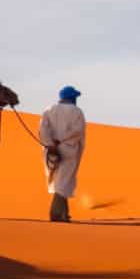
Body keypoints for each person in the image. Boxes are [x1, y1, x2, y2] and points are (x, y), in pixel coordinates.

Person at [39, 85, 87, 222]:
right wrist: (61, 142)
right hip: (69, 149)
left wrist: (51, 143)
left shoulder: (48, 110)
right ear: (72, 97)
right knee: (63, 182)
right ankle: (55, 213)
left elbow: (43, 129)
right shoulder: (77, 112)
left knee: (60, 181)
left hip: (50, 150)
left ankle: (64, 214)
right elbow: (77, 131)